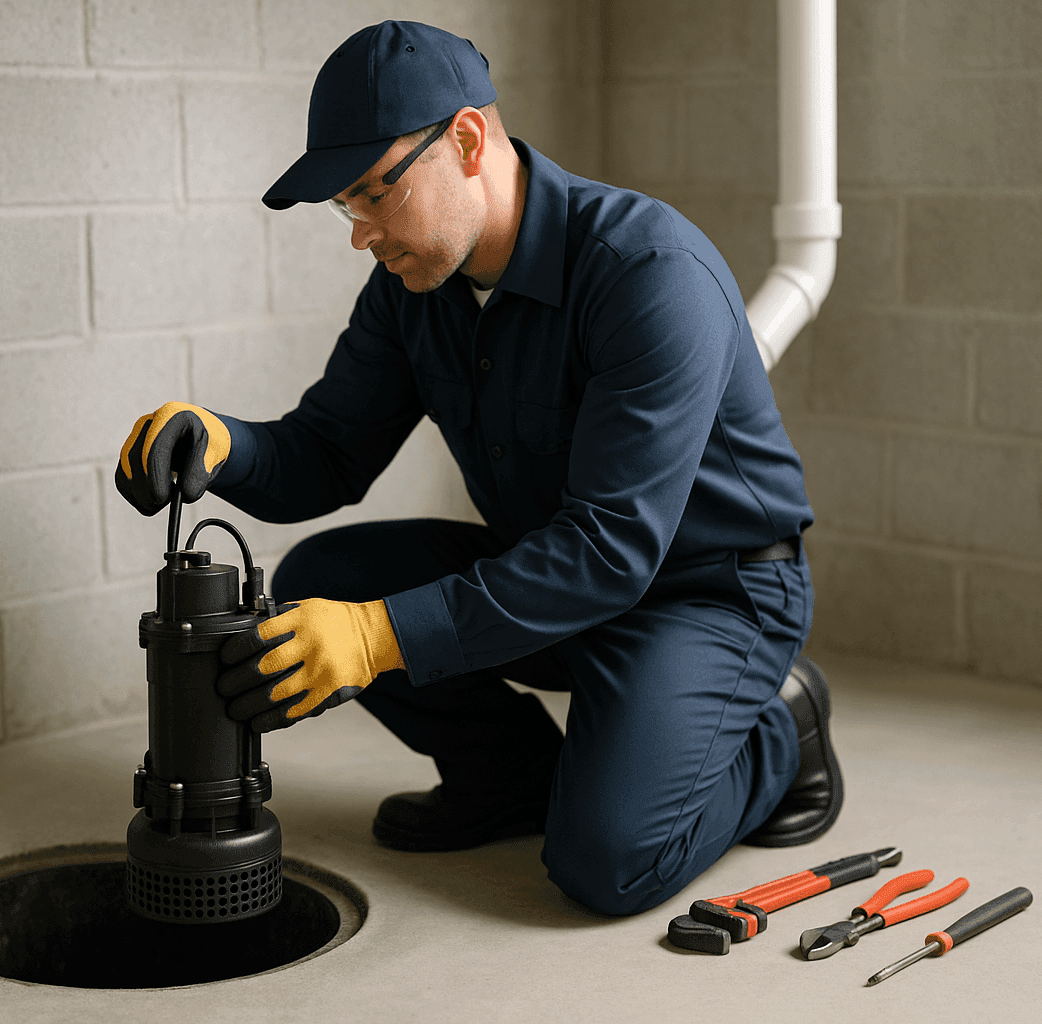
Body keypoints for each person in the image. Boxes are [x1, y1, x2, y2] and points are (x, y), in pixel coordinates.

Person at [114, 20, 841, 917]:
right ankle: (512, 782)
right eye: (347, 206)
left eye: (375, 194)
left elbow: (613, 550)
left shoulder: (648, 272)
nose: (361, 234)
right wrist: (221, 443)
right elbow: (328, 453)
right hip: (556, 578)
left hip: (709, 595)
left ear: (466, 139)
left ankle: (781, 737)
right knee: (322, 581)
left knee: (606, 862)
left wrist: (380, 638)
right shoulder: (414, 286)